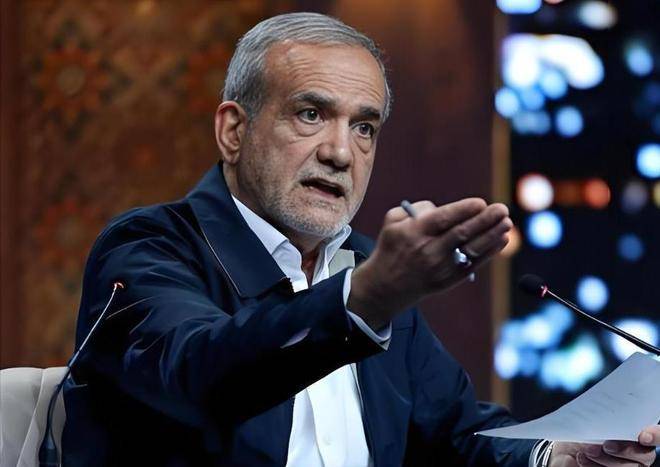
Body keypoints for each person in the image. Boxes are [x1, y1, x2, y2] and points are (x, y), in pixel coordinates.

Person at [63, 12, 659, 467]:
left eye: (364, 127)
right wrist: (364, 301)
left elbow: (454, 436)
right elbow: (199, 375)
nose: (341, 152)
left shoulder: (367, 267)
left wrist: (558, 457)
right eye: (311, 114)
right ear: (234, 131)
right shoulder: (148, 248)